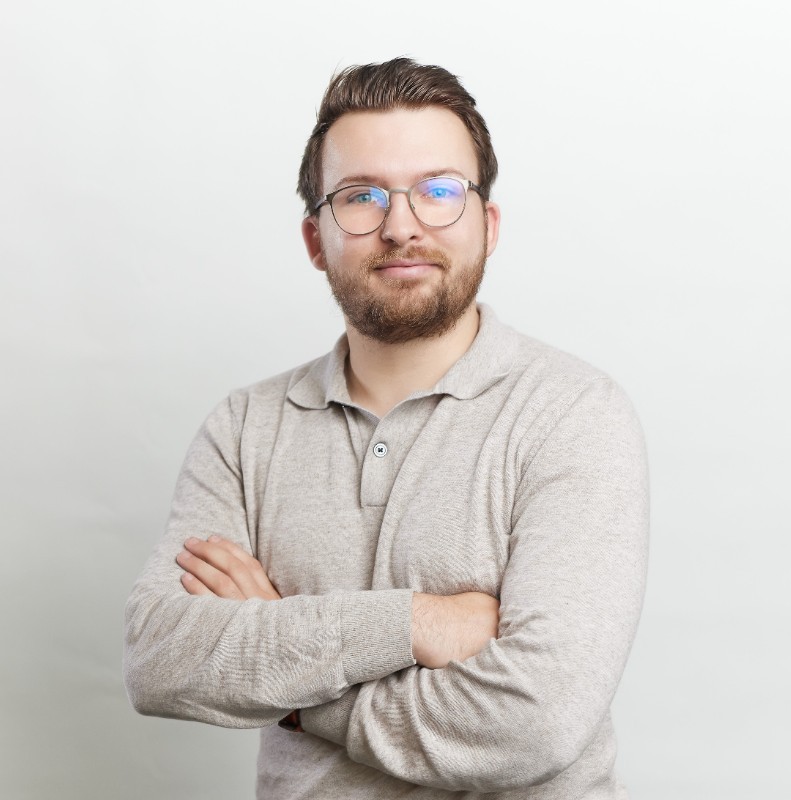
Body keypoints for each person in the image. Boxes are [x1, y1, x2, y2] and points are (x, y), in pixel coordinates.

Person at [124, 57, 648, 799]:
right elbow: (159, 660)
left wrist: (291, 680)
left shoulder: (574, 414)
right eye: (362, 197)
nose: (402, 226)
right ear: (315, 240)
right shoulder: (244, 428)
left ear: (487, 225)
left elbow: (536, 722)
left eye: (439, 191)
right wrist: (414, 622)